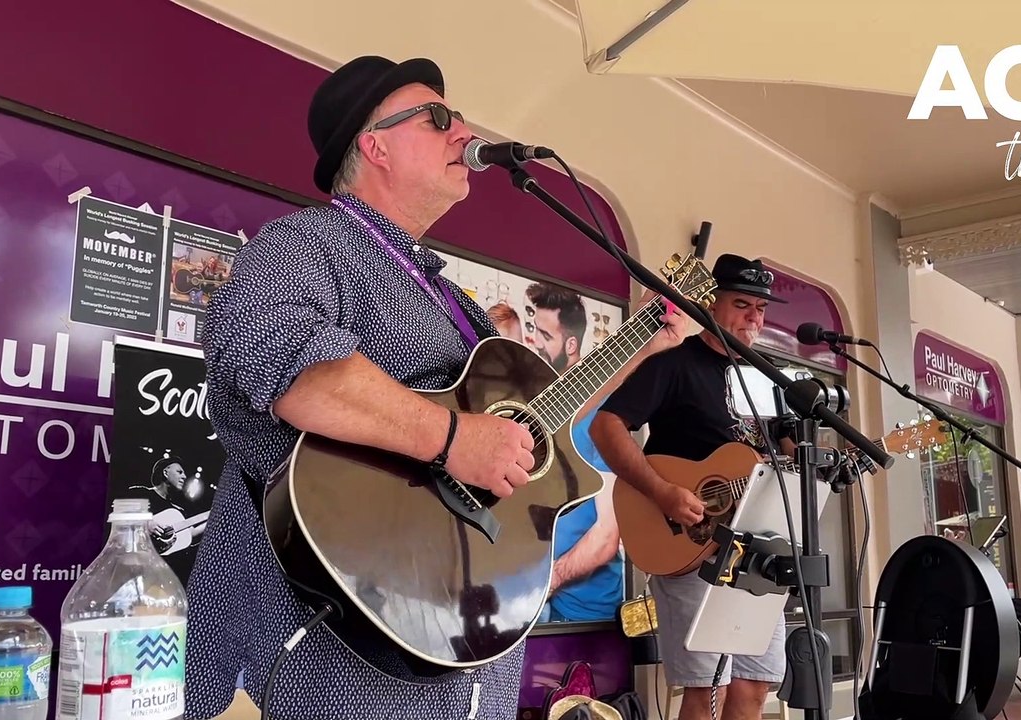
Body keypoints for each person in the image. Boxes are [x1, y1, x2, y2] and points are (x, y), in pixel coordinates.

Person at [184, 55, 687, 720]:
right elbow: (272, 352)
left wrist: (649, 337)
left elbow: (541, 417)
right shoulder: (304, 244)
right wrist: (452, 437)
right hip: (323, 665)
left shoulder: (451, 299)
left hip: (464, 660)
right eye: (440, 118)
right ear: (376, 145)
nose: (465, 132)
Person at [589, 254, 795, 720]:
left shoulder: (769, 379)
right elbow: (607, 427)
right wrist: (662, 492)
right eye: (742, 304)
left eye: (761, 309)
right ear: (711, 304)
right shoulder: (675, 366)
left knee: (756, 683)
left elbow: (789, 456)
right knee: (706, 689)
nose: (754, 318)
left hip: (758, 548)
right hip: (692, 544)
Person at [523, 282, 623, 623]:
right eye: (533, 330)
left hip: (579, 608)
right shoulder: (529, 406)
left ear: (570, 344)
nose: (534, 342)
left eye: (545, 336)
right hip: (526, 595)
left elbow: (607, 535)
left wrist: (549, 581)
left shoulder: (601, 419)